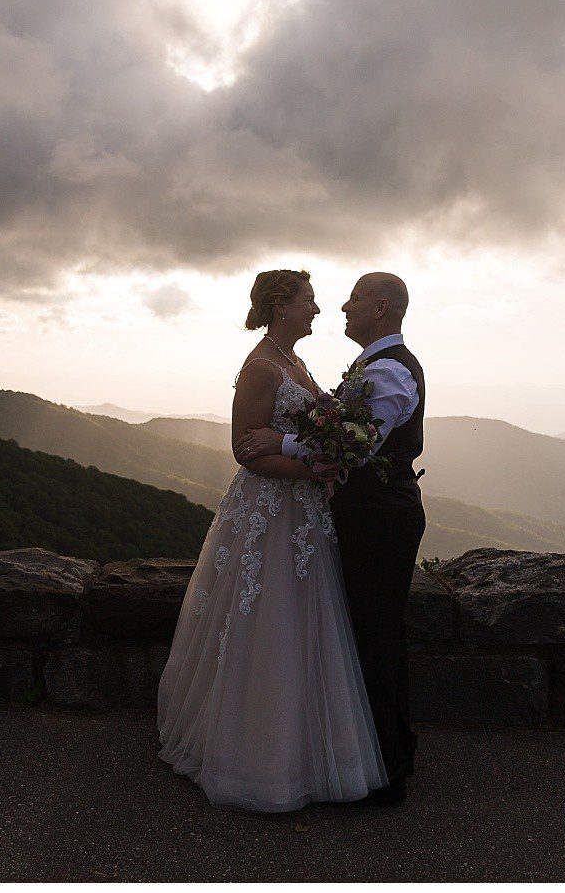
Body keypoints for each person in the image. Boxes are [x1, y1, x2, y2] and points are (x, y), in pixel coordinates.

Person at [156, 269, 387, 813]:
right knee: (265, 622)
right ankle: (253, 757)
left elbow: (293, 436)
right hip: (270, 512)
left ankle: (301, 750)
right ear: (282, 305)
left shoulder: (295, 364)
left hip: (303, 516)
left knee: (302, 623)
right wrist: (314, 470)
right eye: (309, 300)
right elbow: (245, 450)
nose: (318, 309)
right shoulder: (261, 367)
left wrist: (321, 459)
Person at [235, 272, 426, 806]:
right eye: (316, 300)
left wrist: (285, 442)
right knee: (358, 633)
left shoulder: (388, 370)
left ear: (382, 308)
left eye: (355, 299)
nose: (339, 307)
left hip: (380, 519)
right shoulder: (299, 364)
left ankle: (388, 766)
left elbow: (352, 445)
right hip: (337, 516)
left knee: (375, 636)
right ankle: (359, 755)